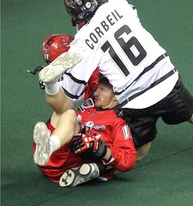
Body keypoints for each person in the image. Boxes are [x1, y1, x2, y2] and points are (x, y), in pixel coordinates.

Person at [38, 0, 193, 175]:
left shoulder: (81, 43)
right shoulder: (118, 4)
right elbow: (116, 18)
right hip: (165, 81)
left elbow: (72, 94)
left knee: (138, 150)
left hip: (134, 100)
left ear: (74, 17)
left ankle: (100, 170)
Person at [32, 34, 136, 187]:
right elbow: (92, 67)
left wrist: (102, 150)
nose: (96, 93)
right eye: (97, 89)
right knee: (64, 112)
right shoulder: (93, 100)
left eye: (102, 90)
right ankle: (52, 81)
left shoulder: (118, 122)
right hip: (52, 156)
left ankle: (51, 85)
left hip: (68, 163)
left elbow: (129, 160)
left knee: (68, 113)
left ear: (116, 98)